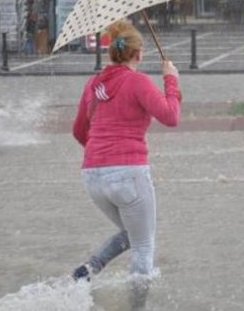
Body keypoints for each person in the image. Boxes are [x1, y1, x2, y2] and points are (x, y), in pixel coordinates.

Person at [71, 20, 181, 310]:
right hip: (128, 175)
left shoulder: (93, 84)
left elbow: (79, 131)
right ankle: (137, 307)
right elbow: (171, 116)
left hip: (92, 176)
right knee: (144, 245)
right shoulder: (139, 82)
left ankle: (88, 270)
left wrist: (102, 158)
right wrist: (171, 79)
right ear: (138, 54)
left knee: (132, 234)